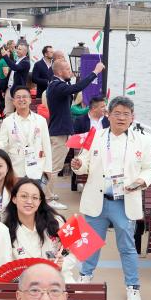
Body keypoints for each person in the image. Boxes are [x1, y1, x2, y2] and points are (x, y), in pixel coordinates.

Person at [71, 96, 151, 300]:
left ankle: (133, 287)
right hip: (97, 199)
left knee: (127, 247)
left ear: (133, 117)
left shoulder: (142, 141)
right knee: (90, 243)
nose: (121, 118)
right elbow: (83, 164)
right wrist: (77, 165)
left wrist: (141, 181)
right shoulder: (96, 136)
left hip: (124, 202)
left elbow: (149, 168)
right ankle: (85, 276)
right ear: (108, 115)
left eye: (126, 114)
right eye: (117, 113)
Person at [45, 58, 105, 209]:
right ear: (59, 72)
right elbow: (77, 87)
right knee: (54, 167)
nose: (70, 71)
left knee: (54, 166)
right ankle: (48, 198)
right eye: (67, 69)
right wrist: (95, 72)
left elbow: (73, 88)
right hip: (59, 132)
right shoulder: (56, 85)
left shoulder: (58, 84)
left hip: (60, 131)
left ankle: (48, 193)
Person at [2, 178, 76, 281]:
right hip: (26, 285)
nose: (29, 201)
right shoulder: (5, 231)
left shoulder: (56, 222)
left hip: (59, 280)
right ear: (14, 199)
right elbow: (5, 267)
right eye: (24, 196)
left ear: (40, 201)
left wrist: (61, 265)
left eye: (35, 197)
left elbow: (73, 253)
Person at [0, 87, 52, 187]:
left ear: (30, 100)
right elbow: (2, 144)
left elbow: (46, 145)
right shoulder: (7, 121)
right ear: (13, 101)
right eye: (18, 97)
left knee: (35, 195)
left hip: (37, 169)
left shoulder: (40, 120)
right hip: (16, 170)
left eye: (24, 97)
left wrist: (48, 168)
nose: (21, 99)